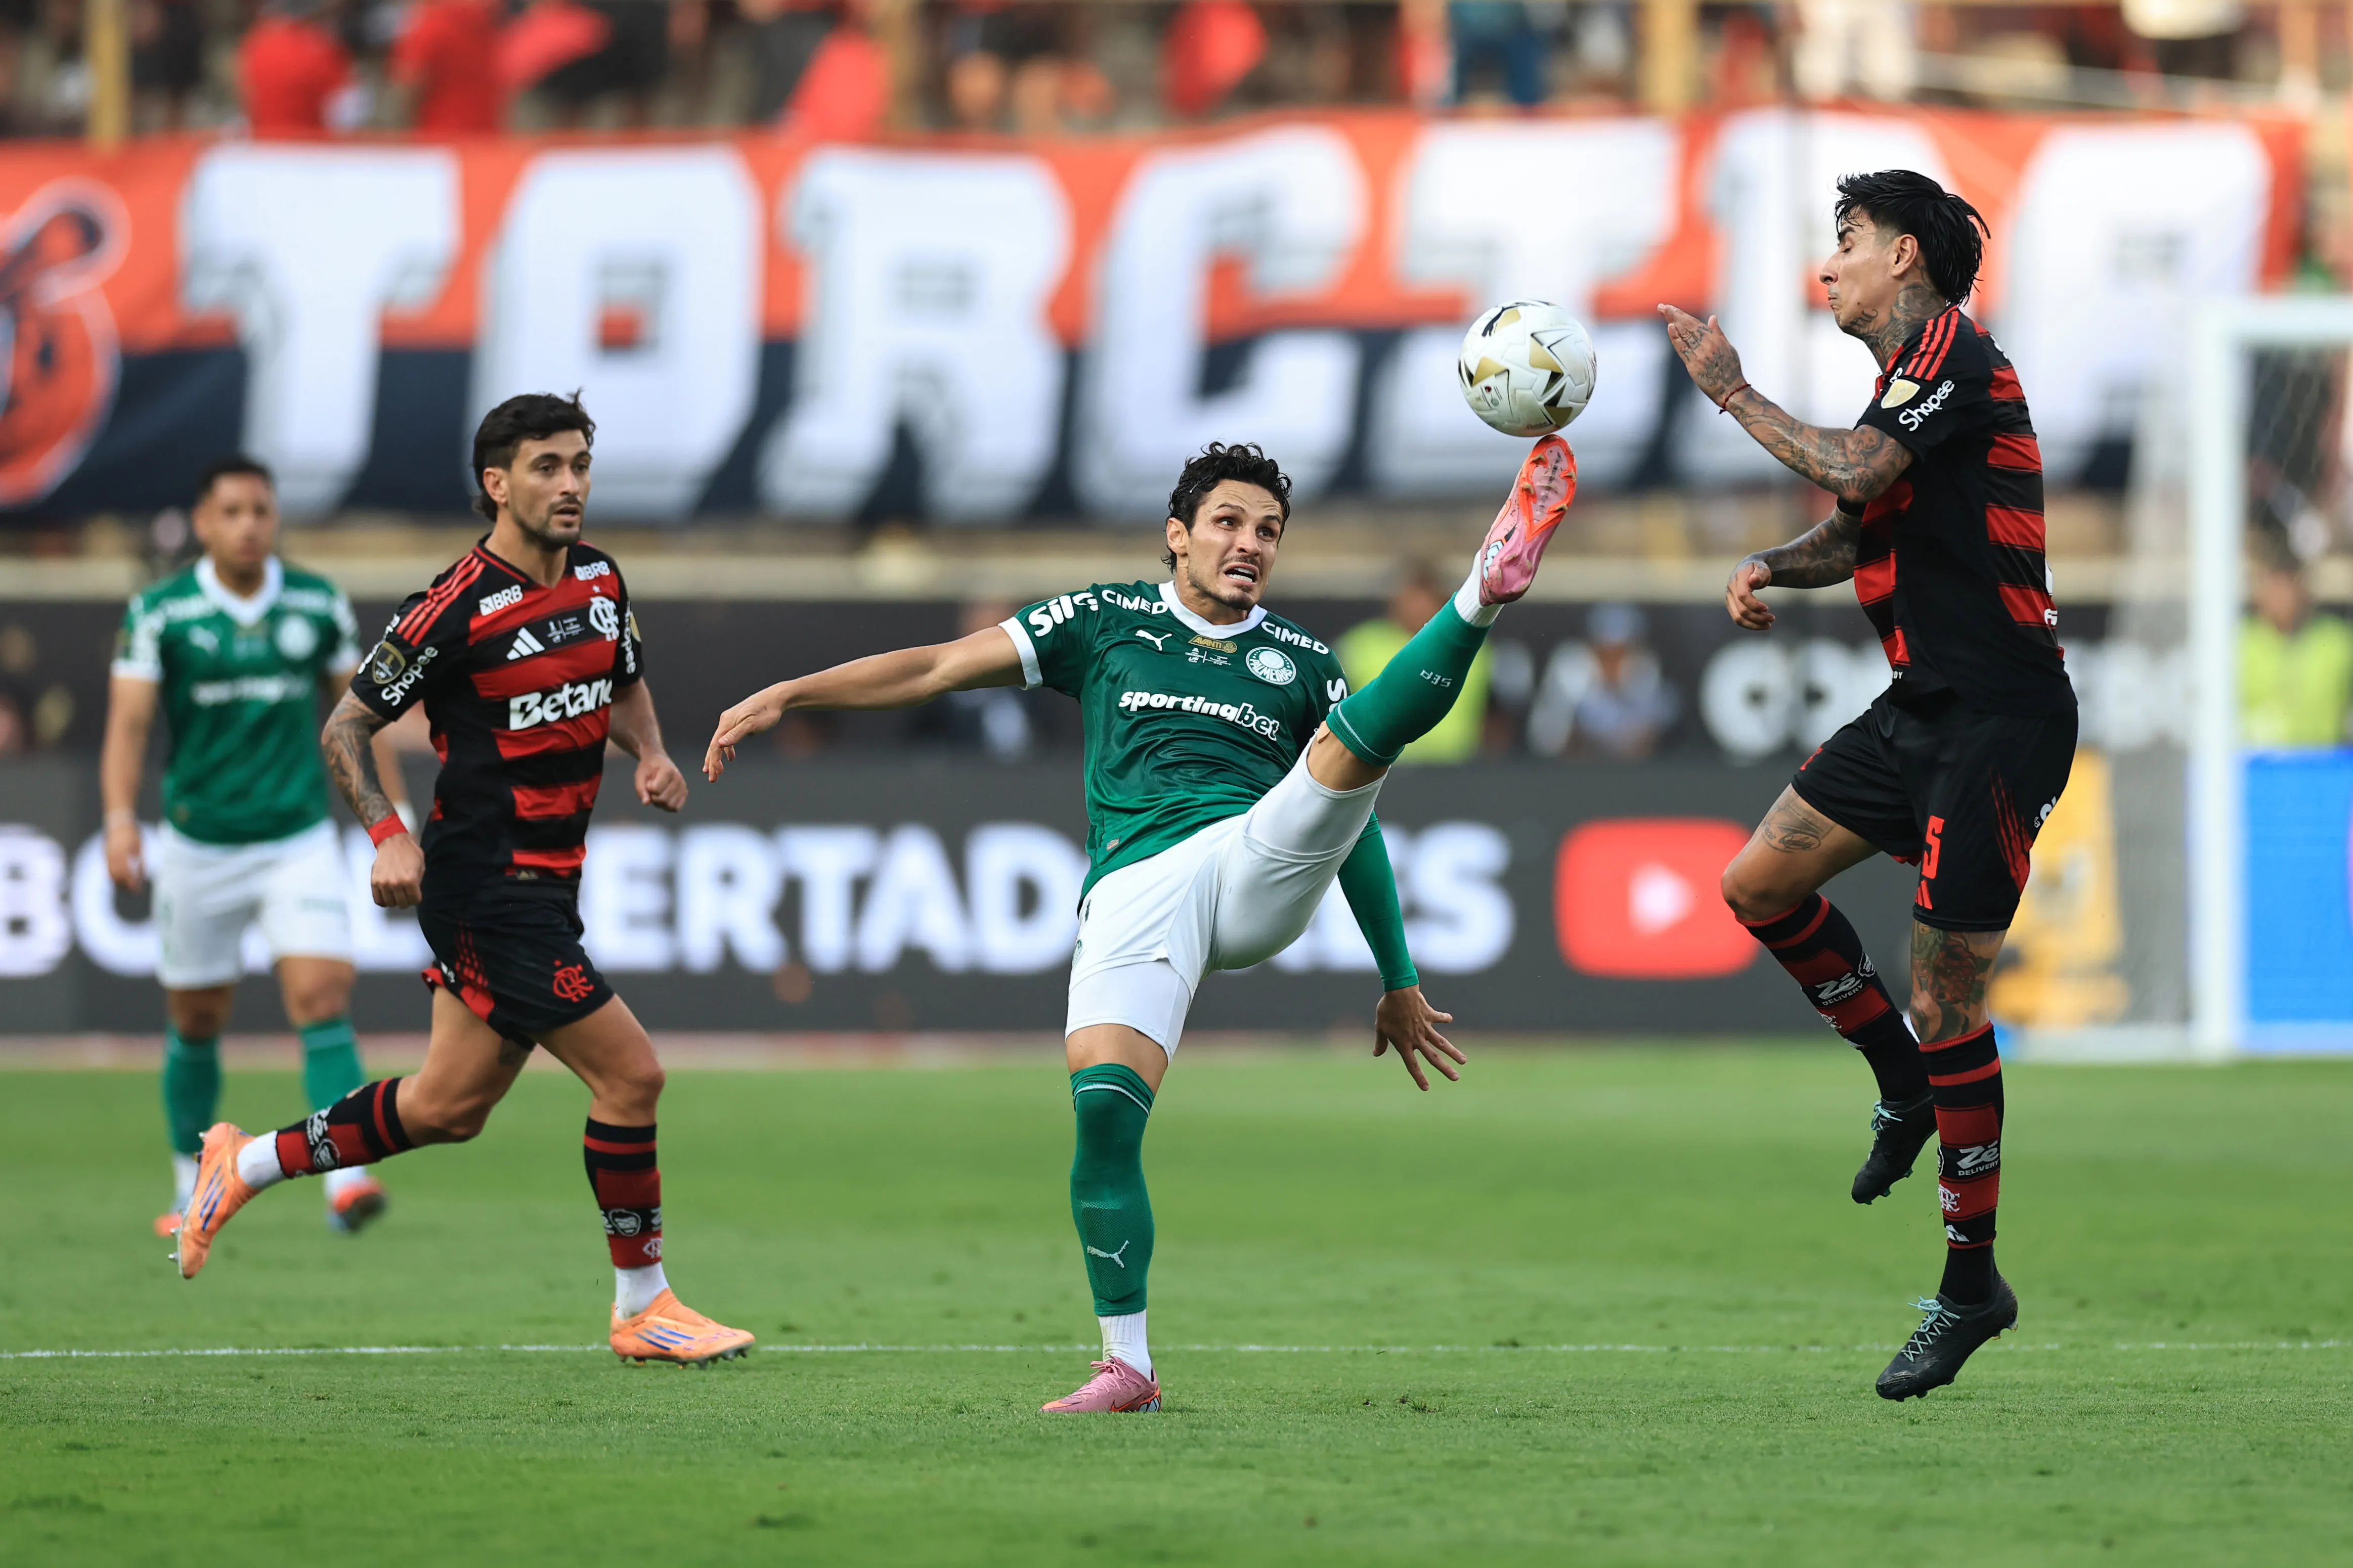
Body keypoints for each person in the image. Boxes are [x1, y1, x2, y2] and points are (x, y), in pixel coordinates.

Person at [705, 436, 1578, 1413]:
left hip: (1253, 861)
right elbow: (942, 667)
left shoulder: (1298, 660)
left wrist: (1397, 974)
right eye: (1229, 523)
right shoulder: (1105, 619)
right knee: (1104, 1116)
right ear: (1178, 536)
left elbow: (1352, 829)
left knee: (1345, 755)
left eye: (1269, 531)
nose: (1250, 544)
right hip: (1136, 889)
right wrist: (791, 690)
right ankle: (1129, 1364)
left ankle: (1481, 594)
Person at [172, 394, 756, 1369]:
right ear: (497, 484)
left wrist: (650, 752)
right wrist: (388, 837)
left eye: (578, 465)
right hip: (485, 888)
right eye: (546, 468)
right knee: (632, 1075)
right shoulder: (452, 607)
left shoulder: (603, 580)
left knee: (448, 1107)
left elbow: (620, 676)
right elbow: (345, 726)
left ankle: (247, 1160)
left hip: (547, 884)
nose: (569, 484)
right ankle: (643, 1306)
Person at [1662, 169, 2075, 1400]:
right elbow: (1856, 518)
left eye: (1841, 241)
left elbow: (1854, 469)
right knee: (1756, 884)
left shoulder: (1954, 352)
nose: (1825, 264)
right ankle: (1897, 1083)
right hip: (1916, 714)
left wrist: (1730, 393)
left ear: (1904, 255)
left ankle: (1968, 1282)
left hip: (1998, 720)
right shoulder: (1903, 384)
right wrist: (1773, 567)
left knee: (1947, 992)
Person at [104, 456, 404, 1240]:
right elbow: (130, 726)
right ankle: (187, 1186)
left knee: (323, 996)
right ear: (204, 523)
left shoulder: (317, 603)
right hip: (199, 843)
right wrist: (118, 819)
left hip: (295, 838)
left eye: (260, 511)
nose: (248, 525)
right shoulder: (160, 612)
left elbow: (363, 715)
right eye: (232, 511)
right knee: (198, 1016)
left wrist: (394, 820)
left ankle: (349, 1179)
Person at [1336, 561, 1491, 764]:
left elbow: (1494, 715)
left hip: (1456, 768)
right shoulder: (1361, 644)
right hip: (1380, 766)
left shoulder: (1473, 649)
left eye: (1426, 599)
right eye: (1412, 599)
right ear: (1396, 601)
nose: (1418, 608)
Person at [2240, 552, 2353, 747]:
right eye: (2277, 586)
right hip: (2255, 769)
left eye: (2291, 585)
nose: (2284, 597)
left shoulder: (2338, 642)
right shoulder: (2238, 644)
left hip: (2325, 768)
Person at [237, 0, 353, 137]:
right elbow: (347, 112)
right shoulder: (320, 49)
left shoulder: (255, 43)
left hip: (265, 145)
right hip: (310, 146)